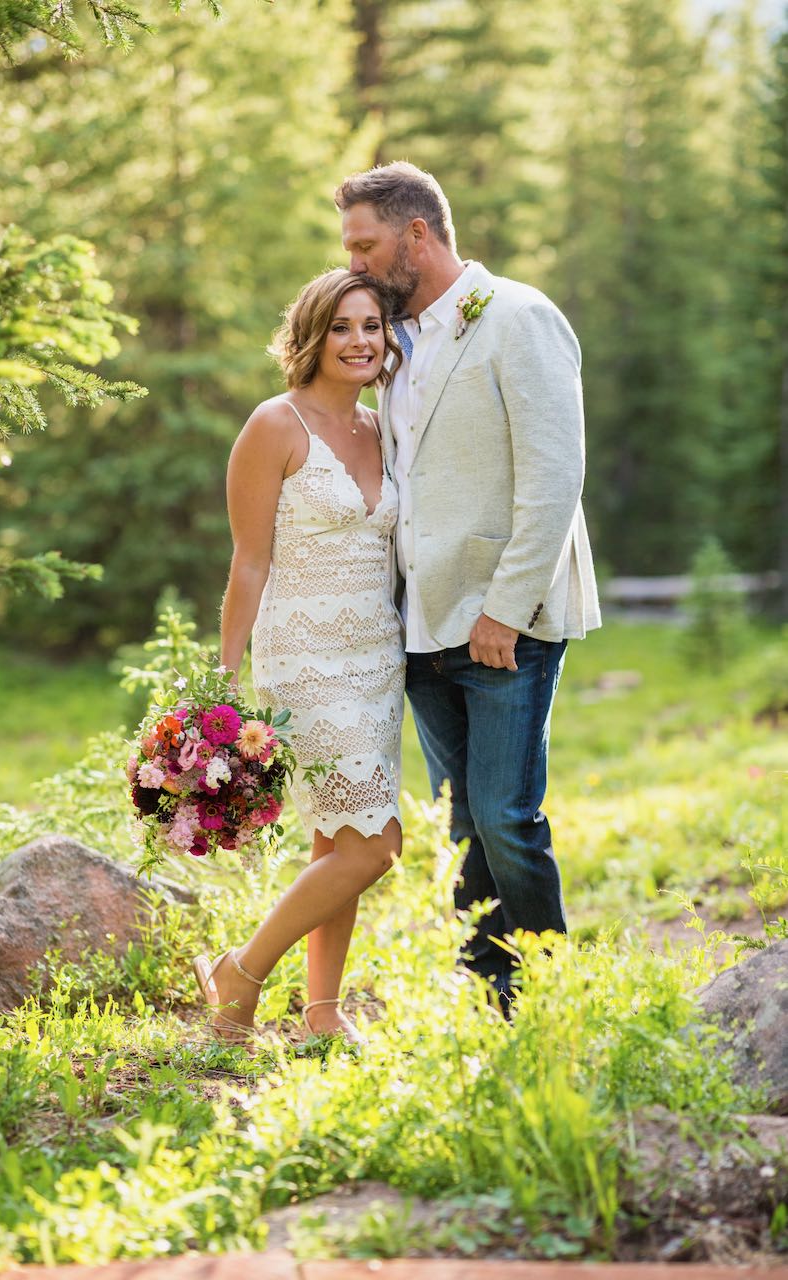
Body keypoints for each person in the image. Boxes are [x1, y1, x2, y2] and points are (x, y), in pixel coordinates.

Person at [335, 161, 601, 1007]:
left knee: (506, 819)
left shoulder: (519, 316)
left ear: (417, 234)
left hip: (501, 623)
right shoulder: (394, 344)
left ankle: (552, 998)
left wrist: (504, 609)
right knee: (464, 827)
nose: (356, 264)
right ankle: (490, 996)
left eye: (365, 244)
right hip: (421, 626)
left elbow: (554, 478)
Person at [193, 268, 405, 1044]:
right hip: (304, 661)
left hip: (379, 661)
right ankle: (240, 973)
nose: (359, 342)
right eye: (343, 327)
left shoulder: (387, 427)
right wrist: (224, 676)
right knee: (374, 848)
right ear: (314, 335)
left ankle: (321, 1011)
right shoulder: (274, 424)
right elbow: (249, 560)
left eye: (373, 327)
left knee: (337, 841)